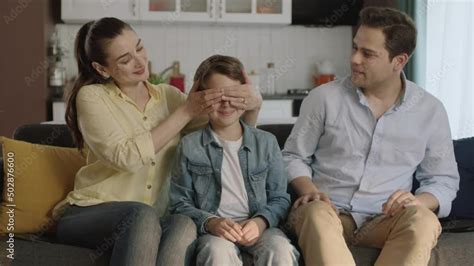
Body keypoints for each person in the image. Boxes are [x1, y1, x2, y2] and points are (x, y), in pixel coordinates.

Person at [52, 18, 262, 266]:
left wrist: (252, 106)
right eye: (125, 59)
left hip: (154, 216)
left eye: (139, 48)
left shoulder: (169, 97)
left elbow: (226, 137)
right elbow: (126, 158)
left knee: (183, 222)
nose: (140, 61)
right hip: (89, 212)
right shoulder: (92, 97)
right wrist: (185, 111)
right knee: (140, 215)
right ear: (101, 69)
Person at [283, 7, 459, 266]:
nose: (354, 59)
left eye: (368, 54)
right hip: (328, 213)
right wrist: (310, 191)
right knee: (315, 212)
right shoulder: (324, 98)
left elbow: (443, 180)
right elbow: (293, 156)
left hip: (385, 219)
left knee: (424, 219)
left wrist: (418, 200)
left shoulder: (430, 111)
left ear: (398, 61)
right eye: (354, 48)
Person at [170, 55, 300, 266]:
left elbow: (280, 198)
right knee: (216, 252)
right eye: (216, 97)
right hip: (215, 233)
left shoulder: (266, 142)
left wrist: (260, 222)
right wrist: (211, 222)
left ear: (246, 96)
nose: (226, 104)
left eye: (234, 95)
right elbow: (179, 203)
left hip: (260, 228)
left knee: (281, 250)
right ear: (202, 99)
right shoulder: (189, 146)